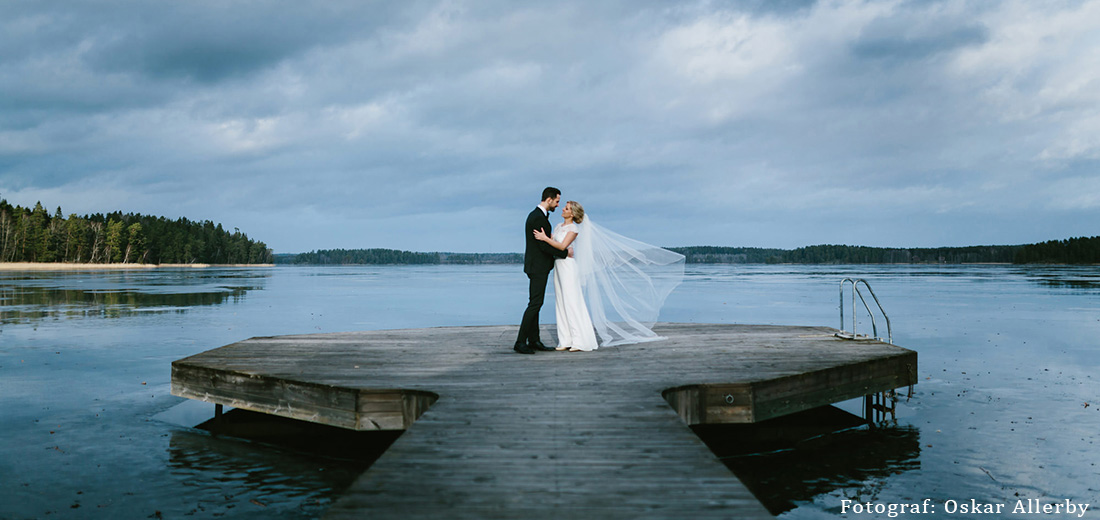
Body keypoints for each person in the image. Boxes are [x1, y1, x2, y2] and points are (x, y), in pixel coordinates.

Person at [533, 200, 685, 350]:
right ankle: (565, 340)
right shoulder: (559, 226)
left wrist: (545, 238)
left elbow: (562, 246)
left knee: (572, 302)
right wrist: (547, 238)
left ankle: (580, 341)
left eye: (566, 208)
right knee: (561, 302)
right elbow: (555, 243)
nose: (563, 210)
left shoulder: (573, 228)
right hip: (558, 267)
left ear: (572, 213)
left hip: (568, 267)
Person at [514, 187, 570, 354]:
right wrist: (565, 252)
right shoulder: (538, 218)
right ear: (549, 199)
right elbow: (543, 246)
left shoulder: (537, 216)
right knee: (535, 304)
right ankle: (520, 342)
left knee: (535, 303)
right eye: (557, 201)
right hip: (538, 266)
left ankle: (534, 340)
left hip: (536, 266)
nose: (558, 205)